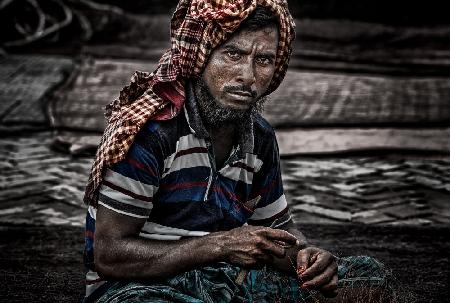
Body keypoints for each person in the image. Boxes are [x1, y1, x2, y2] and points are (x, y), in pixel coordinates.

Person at [83, 1, 392, 302]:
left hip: (227, 278)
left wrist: (306, 258)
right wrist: (220, 246)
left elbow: (278, 231)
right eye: (233, 54)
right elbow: (110, 256)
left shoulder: (260, 137)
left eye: (264, 60)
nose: (247, 76)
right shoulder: (152, 134)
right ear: (199, 58)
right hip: (140, 287)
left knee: (367, 277)